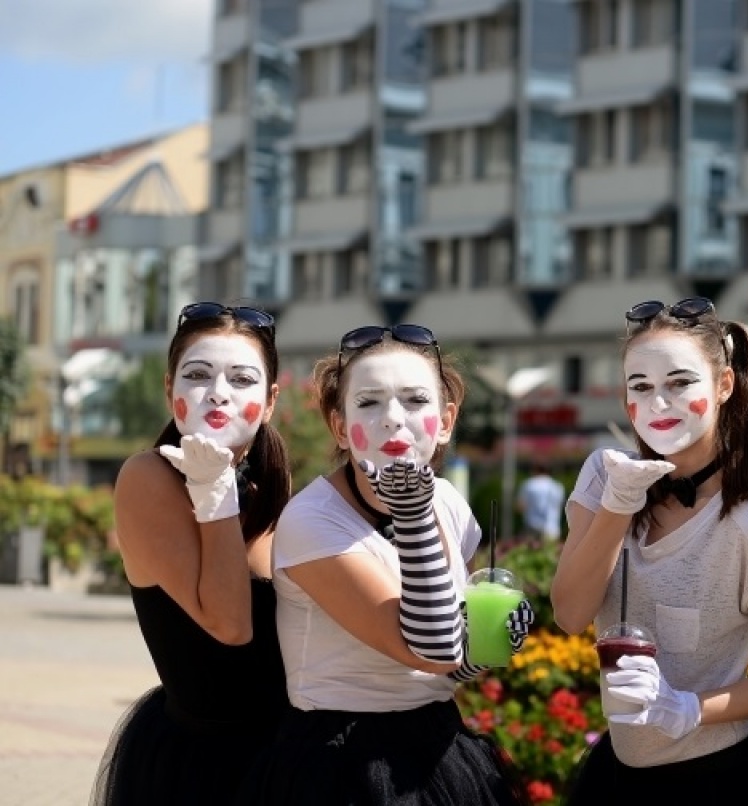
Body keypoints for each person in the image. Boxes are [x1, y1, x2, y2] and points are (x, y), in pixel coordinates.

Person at [239, 323, 532, 805]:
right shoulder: (312, 520)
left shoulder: (450, 503)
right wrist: (413, 516)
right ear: (339, 426)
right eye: (369, 403)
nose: (394, 419)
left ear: (446, 420)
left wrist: (485, 644)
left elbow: (442, 670)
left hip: (437, 743)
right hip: (339, 762)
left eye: (416, 401)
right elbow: (433, 650)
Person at [551, 297, 748, 806]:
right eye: (640, 387)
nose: (658, 403)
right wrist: (618, 505)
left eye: (679, 383)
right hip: (618, 780)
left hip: (718, 781)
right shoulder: (605, 475)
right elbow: (570, 614)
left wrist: (689, 708)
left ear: (723, 385)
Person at [93, 302, 291, 805]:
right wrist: (213, 491)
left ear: (270, 400)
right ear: (170, 390)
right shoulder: (148, 477)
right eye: (198, 375)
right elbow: (230, 624)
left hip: (286, 754)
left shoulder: (270, 488)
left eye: (242, 379)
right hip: (201, 770)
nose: (218, 393)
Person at [518, 462, 566, 542]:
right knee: (550, 549)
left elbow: (521, 506)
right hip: (552, 527)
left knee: (531, 549)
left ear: (535, 470)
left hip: (532, 526)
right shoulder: (557, 486)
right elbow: (561, 505)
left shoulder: (529, 484)